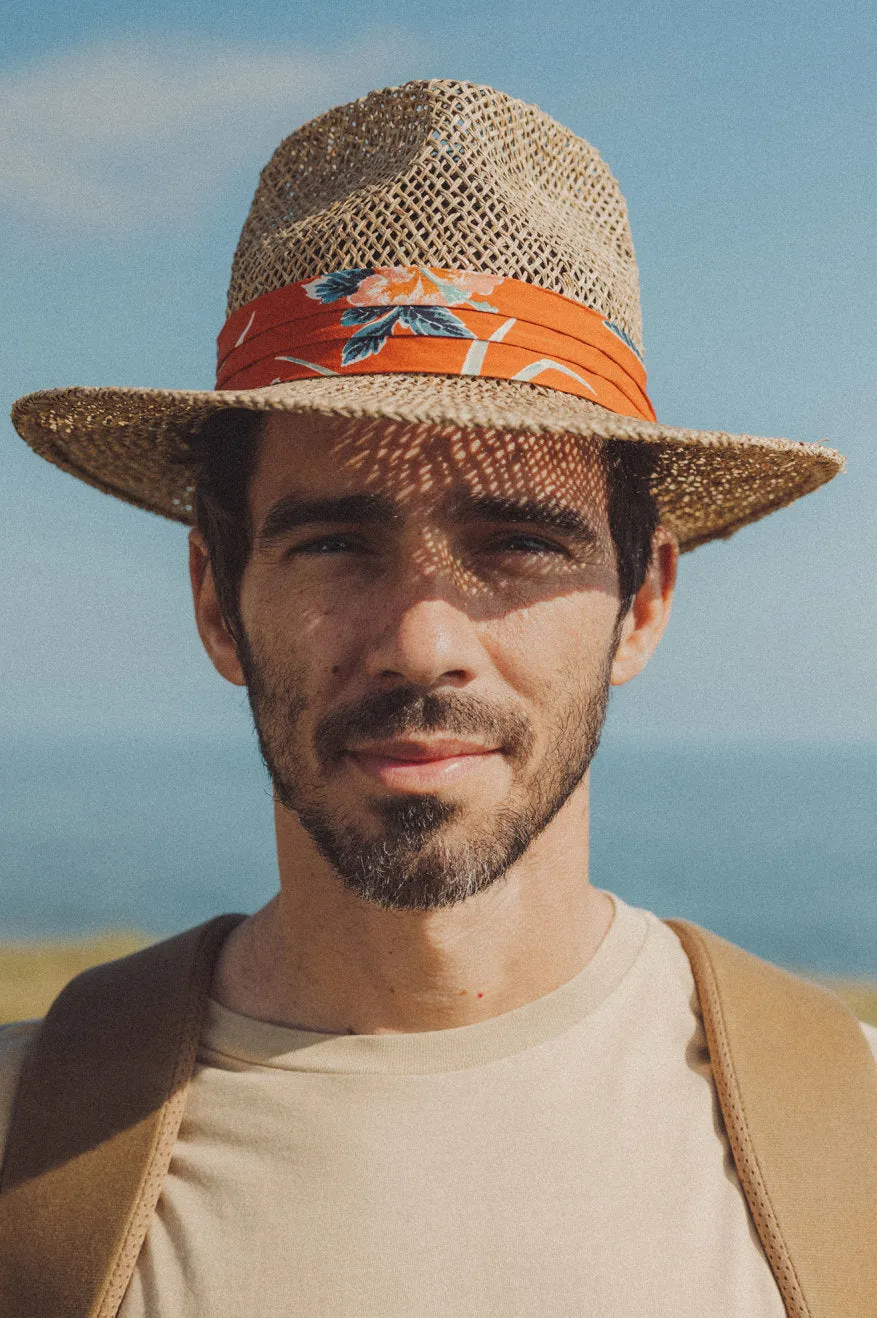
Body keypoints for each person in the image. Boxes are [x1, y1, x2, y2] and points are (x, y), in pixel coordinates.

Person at [2, 80, 875, 1316]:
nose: (423, 641)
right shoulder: (26, 1151)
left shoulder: (851, 1144)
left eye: (517, 542)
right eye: (333, 543)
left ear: (642, 600)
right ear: (215, 596)